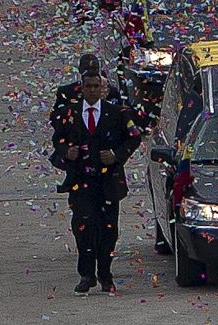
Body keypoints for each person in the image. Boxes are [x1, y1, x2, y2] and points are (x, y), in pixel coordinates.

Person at [50, 70, 141, 296]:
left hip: (108, 182)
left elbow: (134, 136)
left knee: (108, 229)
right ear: (81, 88)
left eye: (95, 86)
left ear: (102, 89)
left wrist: (117, 155)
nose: (92, 90)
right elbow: (57, 139)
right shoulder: (70, 113)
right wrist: (66, 152)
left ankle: (105, 274)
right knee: (83, 228)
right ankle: (86, 274)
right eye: (88, 86)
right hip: (81, 182)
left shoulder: (117, 113)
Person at [50, 54, 122, 132]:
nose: (90, 73)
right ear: (80, 70)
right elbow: (55, 118)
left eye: (94, 69)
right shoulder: (67, 92)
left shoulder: (110, 92)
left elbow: (120, 116)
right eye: (86, 70)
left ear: (99, 70)